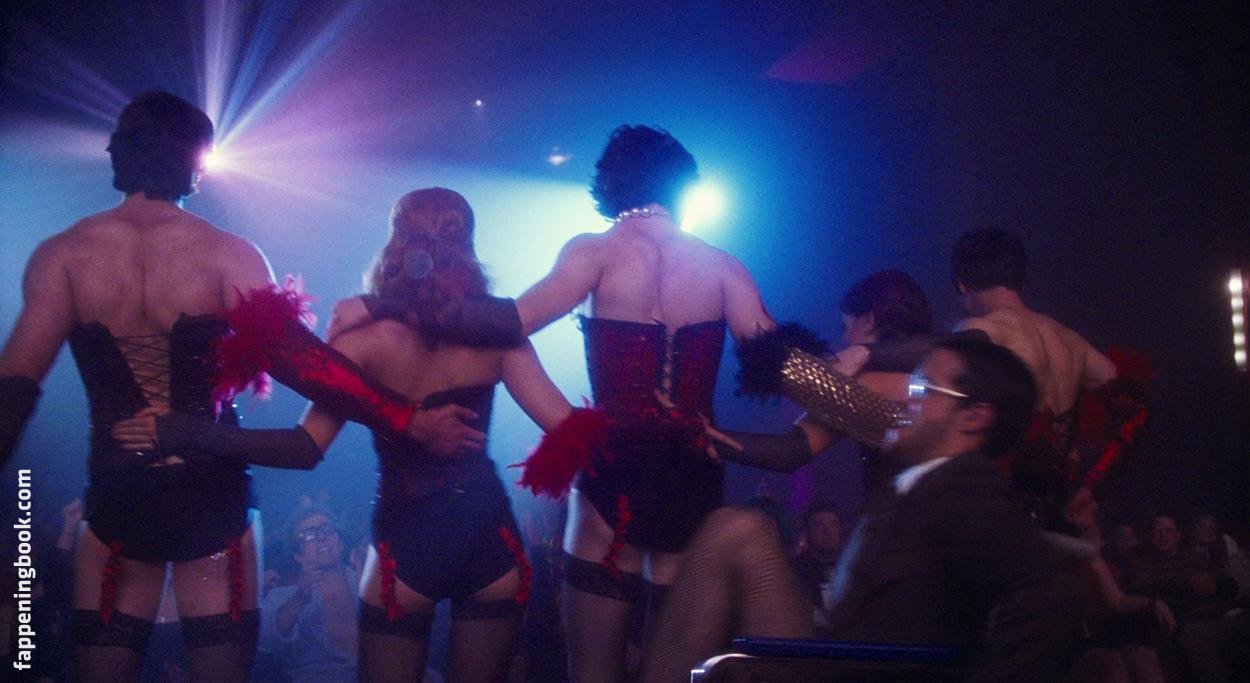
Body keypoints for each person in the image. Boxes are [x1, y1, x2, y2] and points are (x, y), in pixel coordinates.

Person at [0, 92, 480, 682]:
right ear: (195, 161)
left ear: (121, 152)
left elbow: (14, 391)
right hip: (212, 500)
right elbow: (306, 366)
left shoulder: (64, 257)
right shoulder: (226, 254)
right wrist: (407, 417)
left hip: (120, 495)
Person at [118, 187, 577, 682]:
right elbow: (570, 430)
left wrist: (190, 433)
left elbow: (304, 448)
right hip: (491, 538)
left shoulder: (362, 339)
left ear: (396, 246)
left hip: (406, 545)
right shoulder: (500, 339)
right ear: (468, 247)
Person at [643, 336, 1078, 682]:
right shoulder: (917, 482)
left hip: (854, 669)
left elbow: (1053, 592)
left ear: (974, 418)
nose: (903, 400)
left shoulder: (965, 491)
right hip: (835, 655)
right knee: (739, 530)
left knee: (737, 532)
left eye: (921, 389)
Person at [255, 509, 359, 682]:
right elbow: (267, 641)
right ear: (298, 556)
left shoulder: (364, 581)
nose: (321, 537)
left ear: (340, 542)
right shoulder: (281, 596)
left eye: (327, 529)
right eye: (309, 535)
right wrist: (299, 599)